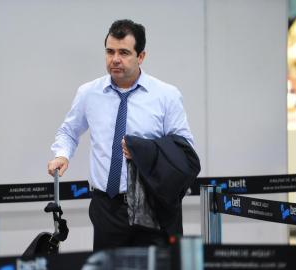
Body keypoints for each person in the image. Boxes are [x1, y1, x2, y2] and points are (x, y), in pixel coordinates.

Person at [48, 19, 195, 251]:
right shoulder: (89, 93)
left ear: (141, 56)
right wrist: (62, 155)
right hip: (107, 206)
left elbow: (184, 150)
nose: (115, 59)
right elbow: (68, 131)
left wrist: (145, 150)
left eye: (124, 52)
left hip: (152, 205)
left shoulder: (166, 95)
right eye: (110, 51)